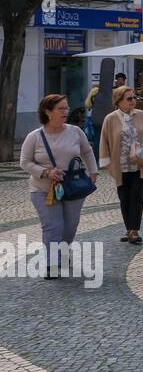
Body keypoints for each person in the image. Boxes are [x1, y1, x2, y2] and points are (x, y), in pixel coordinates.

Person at [21, 94, 98, 278]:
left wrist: (93, 171)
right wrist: (46, 172)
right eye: (61, 108)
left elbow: (87, 151)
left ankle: (63, 252)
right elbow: (24, 162)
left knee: (70, 225)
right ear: (48, 112)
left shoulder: (75, 131)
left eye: (66, 107)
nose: (66, 111)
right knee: (53, 226)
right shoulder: (35, 137)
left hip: (74, 185)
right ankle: (51, 263)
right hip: (43, 188)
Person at [99, 84, 143, 245]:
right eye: (129, 98)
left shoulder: (142, 115)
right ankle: (129, 229)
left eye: (134, 98)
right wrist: (106, 163)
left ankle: (134, 230)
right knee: (124, 198)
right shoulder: (111, 118)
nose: (133, 101)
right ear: (118, 101)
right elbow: (104, 141)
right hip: (120, 166)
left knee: (137, 196)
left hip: (140, 165)